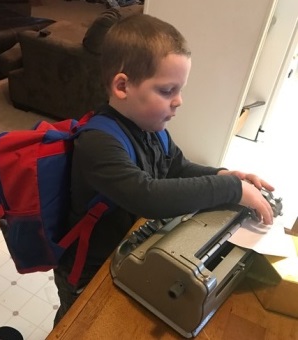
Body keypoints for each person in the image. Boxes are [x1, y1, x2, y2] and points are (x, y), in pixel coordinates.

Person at [53, 13, 274, 325]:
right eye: (168, 90)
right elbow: (149, 197)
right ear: (122, 86)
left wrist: (224, 175)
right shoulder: (98, 143)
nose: (179, 101)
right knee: (75, 323)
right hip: (86, 268)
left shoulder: (151, 128)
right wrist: (233, 190)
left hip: (125, 253)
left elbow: (177, 167)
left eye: (180, 90)